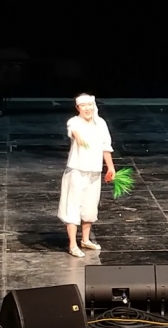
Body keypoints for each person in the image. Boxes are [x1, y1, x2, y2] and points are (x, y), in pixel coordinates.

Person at [57, 93, 115, 258]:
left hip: (94, 171)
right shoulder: (74, 122)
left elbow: (106, 147)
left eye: (90, 105)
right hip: (76, 170)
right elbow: (72, 130)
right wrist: (78, 136)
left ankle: (85, 240)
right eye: (84, 106)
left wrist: (110, 168)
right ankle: (73, 244)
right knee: (73, 206)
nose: (88, 108)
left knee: (90, 206)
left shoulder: (101, 124)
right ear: (78, 108)